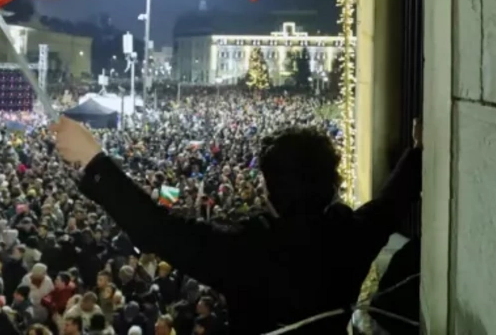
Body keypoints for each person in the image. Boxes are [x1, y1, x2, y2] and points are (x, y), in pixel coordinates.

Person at [52, 117, 422, 334]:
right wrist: (417, 154)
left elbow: (157, 229)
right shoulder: (350, 236)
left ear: (270, 188)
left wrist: (95, 159)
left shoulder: (247, 251)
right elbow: (392, 203)